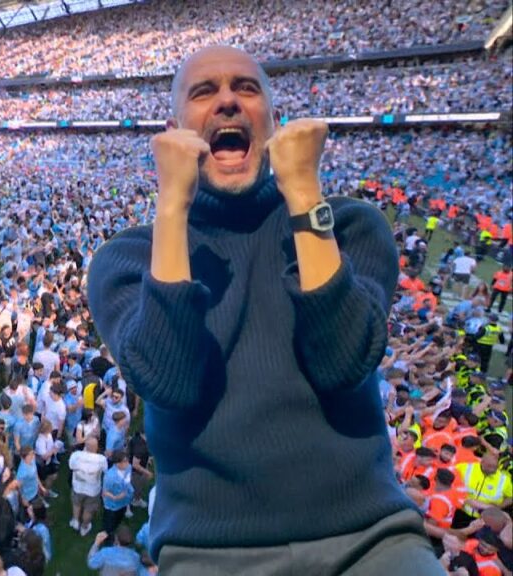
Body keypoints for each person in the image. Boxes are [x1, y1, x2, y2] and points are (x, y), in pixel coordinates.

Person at [87, 45, 440, 574]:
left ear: (273, 124)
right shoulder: (128, 258)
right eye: (204, 92)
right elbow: (168, 381)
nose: (227, 100)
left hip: (371, 537)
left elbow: (343, 363)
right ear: (172, 130)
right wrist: (171, 206)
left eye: (246, 88)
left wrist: (302, 191)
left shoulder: (352, 226)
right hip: (209, 551)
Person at [69, 437, 107, 537]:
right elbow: (105, 470)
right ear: (97, 447)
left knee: (76, 504)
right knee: (89, 509)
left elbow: (71, 466)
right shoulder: (101, 459)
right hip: (93, 490)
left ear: (85, 446)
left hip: (77, 487)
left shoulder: (76, 455)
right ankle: (84, 526)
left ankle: (76, 521)